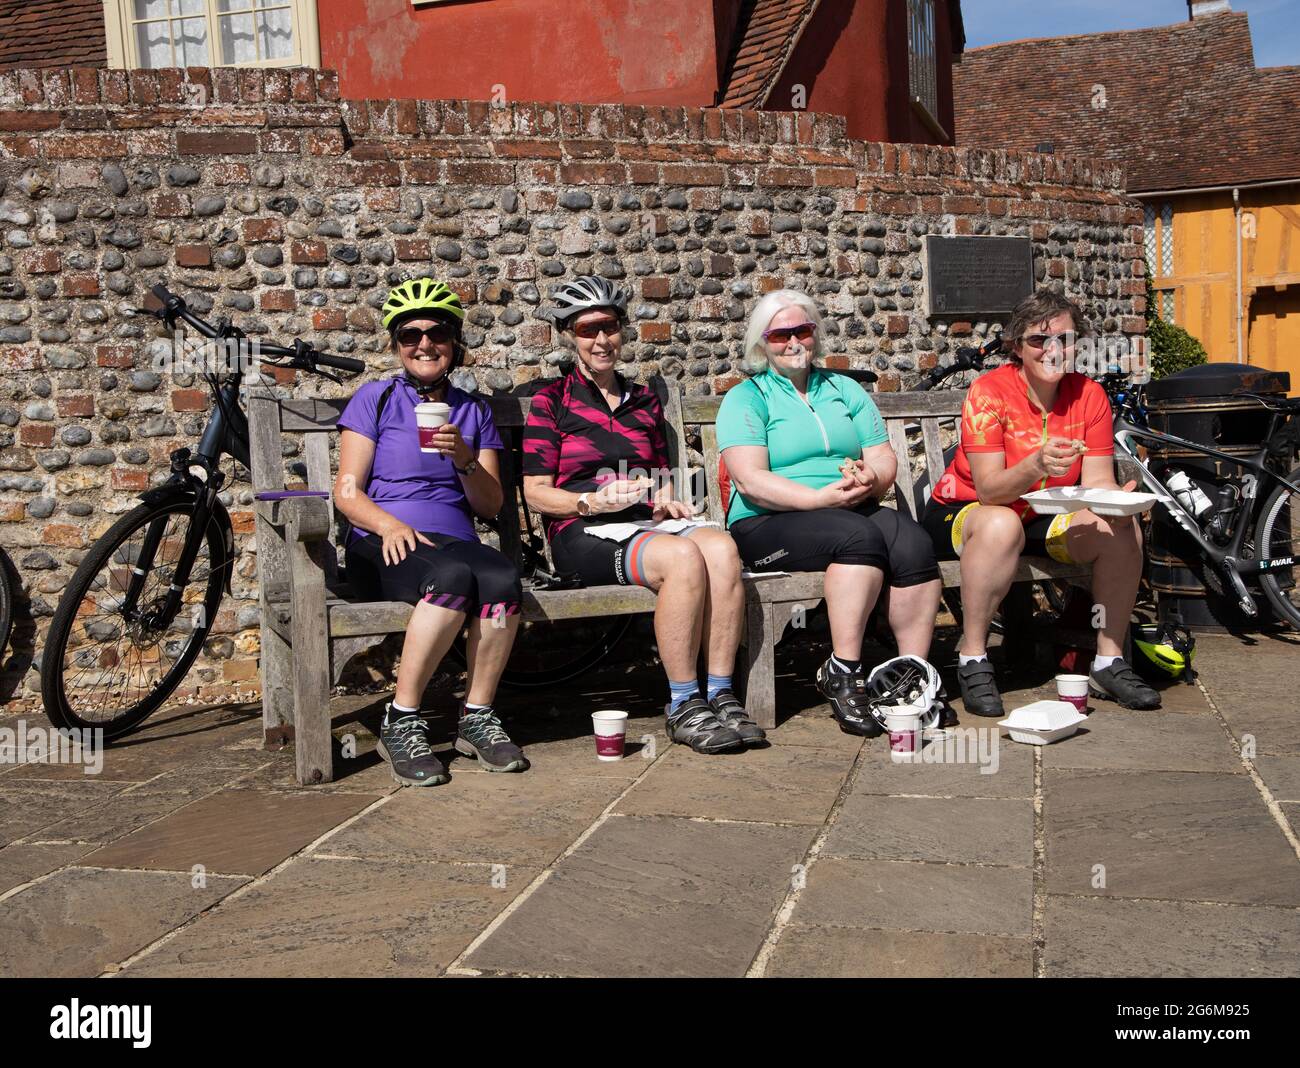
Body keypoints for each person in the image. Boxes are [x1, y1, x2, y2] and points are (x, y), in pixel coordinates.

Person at [522, 275, 763, 753]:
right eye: (587, 329)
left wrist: (667, 497)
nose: (600, 339)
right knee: (681, 559)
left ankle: (720, 693)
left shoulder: (642, 400)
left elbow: (659, 476)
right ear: (570, 335)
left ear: (622, 330)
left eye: (609, 327)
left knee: (720, 547)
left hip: (644, 526)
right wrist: (588, 502)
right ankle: (682, 703)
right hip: (581, 532)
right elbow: (535, 493)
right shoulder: (553, 402)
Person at [718, 289, 948, 737]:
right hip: (767, 522)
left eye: (802, 330)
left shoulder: (843, 389)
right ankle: (843, 672)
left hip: (847, 508)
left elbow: (883, 459)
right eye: (781, 334)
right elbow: (750, 480)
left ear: (815, 334)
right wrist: (820, 499)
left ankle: (913, 677)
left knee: (914, 543)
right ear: (761, 342)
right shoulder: (747, 398)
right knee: (857, 538)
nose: (794, 342)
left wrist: (871, 480)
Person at [921, 289, 1158, 714]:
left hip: (1043, 517)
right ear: (1015, 346)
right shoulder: (989, 392)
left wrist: (1116, 500)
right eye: (1038, 340)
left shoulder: (1089, 396)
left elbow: (1096, 481)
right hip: (967, 512)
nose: (1053, 350)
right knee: (1000, 523)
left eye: (1065, 340)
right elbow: (991, 490)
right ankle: (973, 657)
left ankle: (1108, 660)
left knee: (1119, 528)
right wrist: (1035, 464)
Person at [334, 277, 527, 786]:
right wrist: (389, 523)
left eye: (437, 333)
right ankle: (402, 719)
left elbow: (491, 504)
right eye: (409, 334)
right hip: (382, 541)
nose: (424, 344)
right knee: (452, 576)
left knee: (504, 580)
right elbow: (348, 492)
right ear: (396, 346)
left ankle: (477, 715)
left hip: (454, 541)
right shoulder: (374, 400)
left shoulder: (473, 411)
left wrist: (463, 455)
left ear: (455, 344)